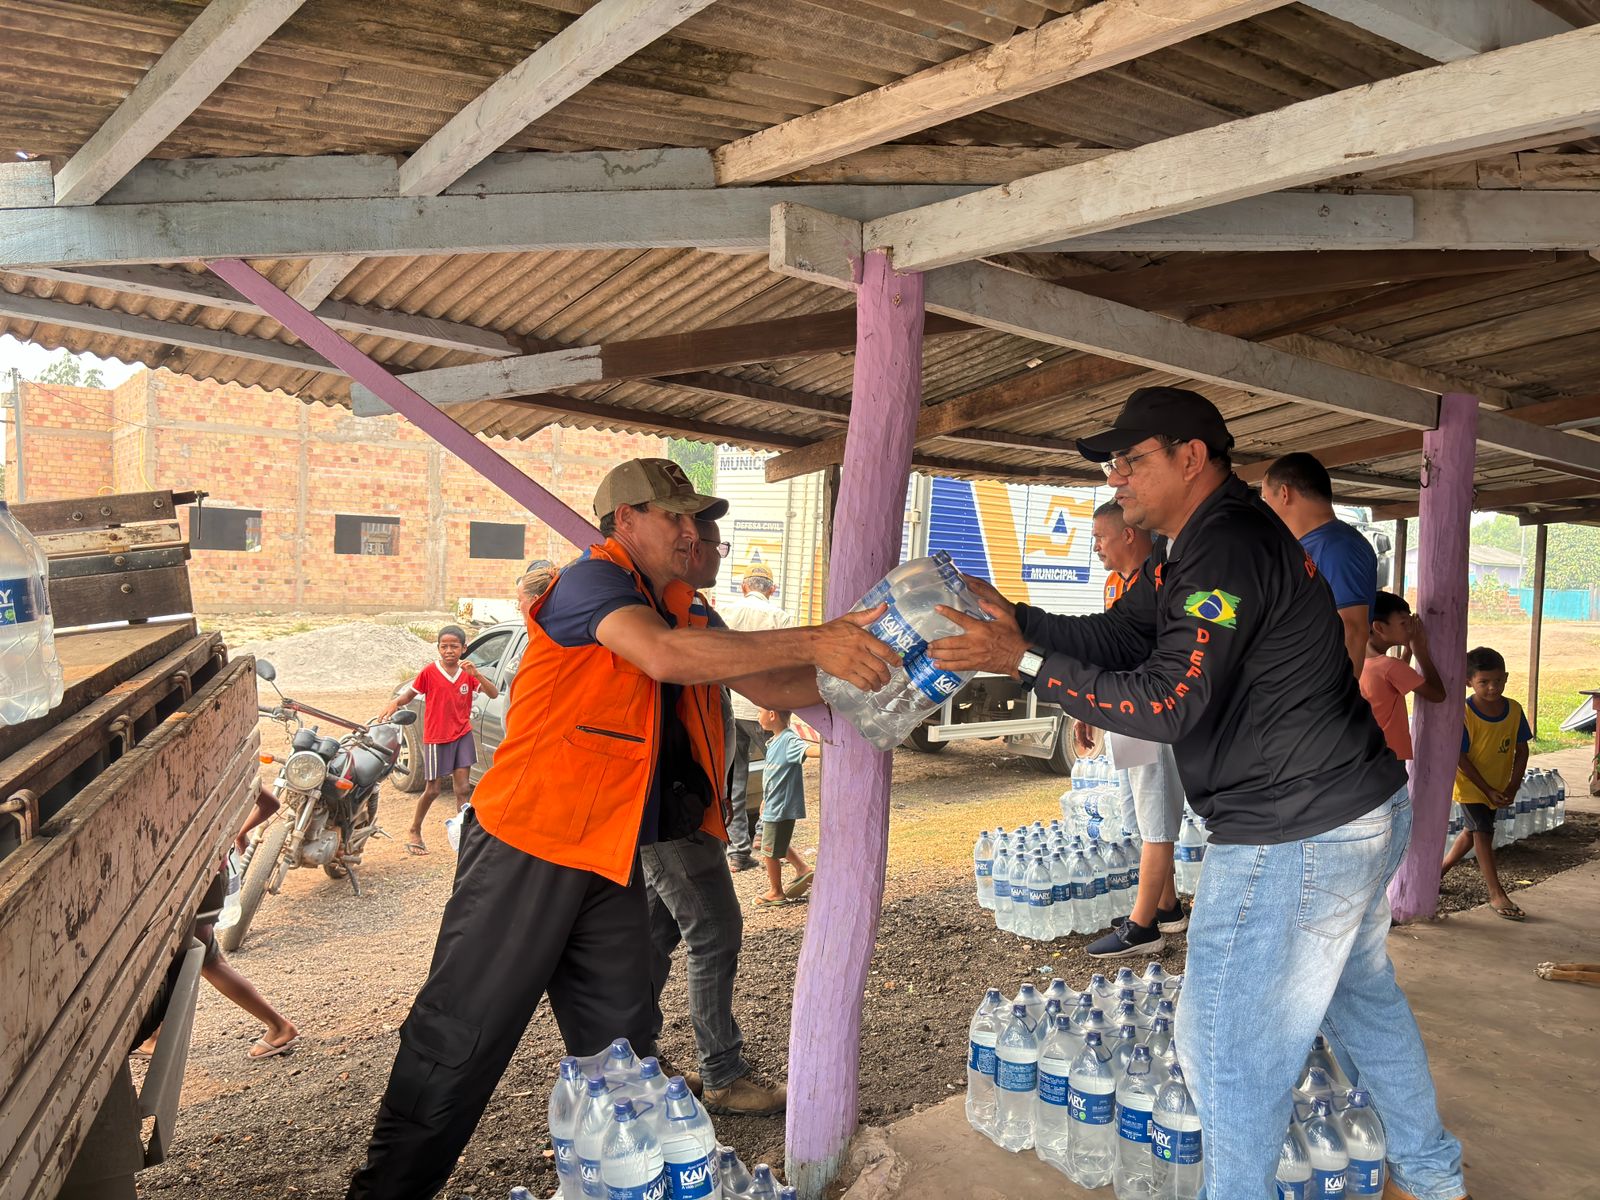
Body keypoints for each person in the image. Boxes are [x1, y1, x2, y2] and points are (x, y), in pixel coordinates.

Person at [927, 386, 1465, 1200]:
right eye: (1112, 464)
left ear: (1191, 457)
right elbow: (1123, 636)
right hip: (1349, 807)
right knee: (1362, 1002)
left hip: (1297, 830)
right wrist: (1022, 620)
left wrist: (1025, 664)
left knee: (1224, 1046)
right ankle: (1433, 1176)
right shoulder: (1202, 542)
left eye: (1131, 460)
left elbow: (1167, 703)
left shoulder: (1224, 550)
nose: (1117, 479)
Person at [347, 458, 896, 1200]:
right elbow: (663, 658)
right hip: (529, 844)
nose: (691, 530)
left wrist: (878, 671)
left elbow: (769, 685)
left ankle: (621, 1183)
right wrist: (819, 637)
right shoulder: (592, 583)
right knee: (461, 1038)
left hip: (609, 855)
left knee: (623, 1049)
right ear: (623, 520)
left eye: (695, 518)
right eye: (674, 515)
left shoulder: (683, 606)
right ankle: (384, 1191)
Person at [640, 516, 787, 1116]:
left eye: (713, 541)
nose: (714, 552)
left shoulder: (695, 609)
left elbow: (756, 675)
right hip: (668, 808)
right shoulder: (656, 614)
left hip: (687, 804)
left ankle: (634, 1060)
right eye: (706, 541)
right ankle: (723, 1075)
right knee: (715, 931)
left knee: (655, 935)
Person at [1076, 501, 1188, 958]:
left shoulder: (1168, 580)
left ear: (1128, 535)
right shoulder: (1113, 584)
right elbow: (1110, 649)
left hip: (1153, 711)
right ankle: (1168, 909)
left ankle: (1142, 928)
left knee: (1157, 817)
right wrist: (1090, 708)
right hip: (1123, 713)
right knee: (1139, 814)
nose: (1095, 546)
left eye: (1101, 536)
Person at [141, 861, 298, 1061]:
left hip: (186, 881)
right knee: (191, 959)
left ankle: (280, 1027)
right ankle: (155, 1036)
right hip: (209, 874)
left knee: (208, 962)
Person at [376, 625, 498, 856]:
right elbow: (410, 694)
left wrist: (478, 675)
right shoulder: (429, 672)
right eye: (444, 646)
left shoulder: (468, 674)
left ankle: (464, 838)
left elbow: (492, 693)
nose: (449, 651)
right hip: (436, 738)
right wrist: (395, 704)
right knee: (432, 790)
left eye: (454, 646)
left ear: (464, 648)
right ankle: (414, 829)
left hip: (462, 735)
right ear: (438, 648)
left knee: (462, 788)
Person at [1261, 452, 1377, 677]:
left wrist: (1338, 704)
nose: (1266, 509)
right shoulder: (1305, 547)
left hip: (1315, 698)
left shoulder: (1336, 546)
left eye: (1266, 499)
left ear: (1284, 493)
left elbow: (1353, 629)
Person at [1441, 646, 1531, 922]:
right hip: (1471, 785)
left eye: (1498, 681)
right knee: (1482, 830)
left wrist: (1512, 786)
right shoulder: (1465, 713)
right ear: (1469, 682)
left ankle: (1438, 872)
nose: (1493, 687)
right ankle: (1496, 893)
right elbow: (1460, 758)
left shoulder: (1514, 709)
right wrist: (1485, 788)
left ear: (1506, 677)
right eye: (1484, 682)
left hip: (1498, 786)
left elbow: (1522, 750)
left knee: (1471, 832)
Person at [719, 561, 795, 872]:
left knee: (734, 780)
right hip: (766, 710)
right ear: (772, 590)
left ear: (744, 587)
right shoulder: (779, 617)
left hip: (730, 708)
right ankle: (766, 836)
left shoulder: (726, 613)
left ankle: (737, 852)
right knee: (778, 774)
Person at [1362, 590, 1447, 761]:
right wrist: (1420, 652)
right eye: (1403, 623)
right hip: (1390, 757)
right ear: (1378, 627)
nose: (1410, 629)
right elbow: (1438, 695)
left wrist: (1408, 651)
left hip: (1367, 753)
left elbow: (1397, 677)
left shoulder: (1361, 661)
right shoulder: (1390, 666)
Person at [753, 707, 818, 907]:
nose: (757, 716)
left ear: (772, 715)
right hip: (773, 804)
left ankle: (776, 892)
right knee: (774, 841)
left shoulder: (789, 740)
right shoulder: (774, 740)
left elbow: (807, 750)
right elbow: (773, 776)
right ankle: (802, 869)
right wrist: (765, 798)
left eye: (759, 712)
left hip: (780, 807)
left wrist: (832, 747)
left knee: (768, 851)